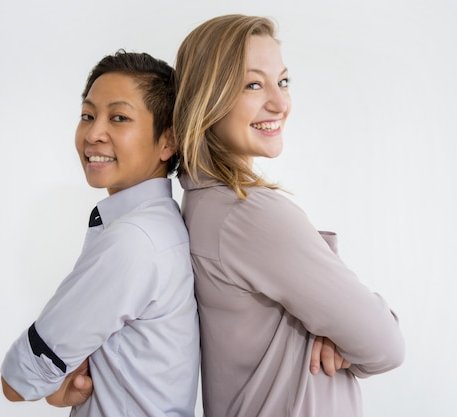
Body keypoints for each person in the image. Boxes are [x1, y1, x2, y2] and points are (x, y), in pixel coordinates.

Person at [173, 14, 406, 417]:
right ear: (207, 97)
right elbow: (386, 345)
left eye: (282, 81)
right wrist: (349, 334)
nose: (280, 103)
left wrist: (341, 334)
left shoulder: (202, 203)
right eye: (252, 84)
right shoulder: (249, 216)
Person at [0, 50, 200, 417]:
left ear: (167, 142)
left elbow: (17, 380)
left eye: (119, 118)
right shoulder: (159, 226)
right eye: (87, 116)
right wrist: (60, 387)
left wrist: (48, 384)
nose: (93, 133)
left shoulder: (133, 241)